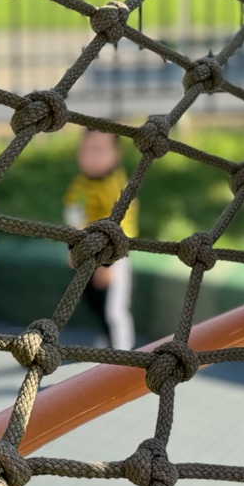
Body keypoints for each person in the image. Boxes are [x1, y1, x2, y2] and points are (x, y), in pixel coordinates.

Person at [64, 129, 137, 351]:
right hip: (88, 252)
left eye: (98, 150)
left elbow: (122, 227)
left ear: (116, 154)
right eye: (85, 150)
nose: (90, 157)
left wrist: (108, 265)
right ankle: (108, 341)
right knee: (94, 301)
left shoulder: (116, 186)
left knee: (114, 308)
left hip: (113, 255)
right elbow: (74, 217)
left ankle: (122, 352)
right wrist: (72, 249)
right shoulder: (81, 183)